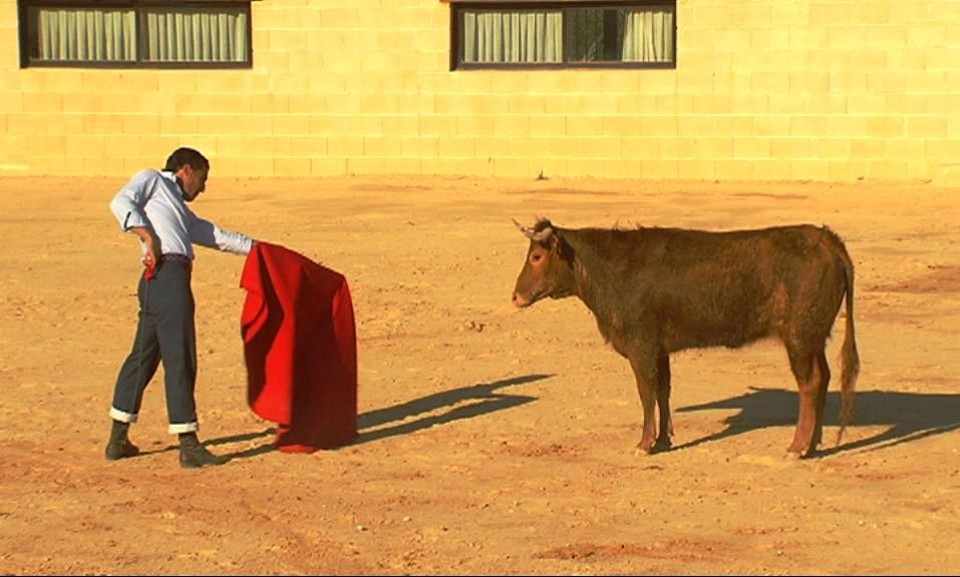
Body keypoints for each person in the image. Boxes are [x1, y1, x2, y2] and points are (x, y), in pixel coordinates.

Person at [105, 147, 255, 469]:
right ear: (186, 170)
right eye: (201, 179)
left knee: (143, 357)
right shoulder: (153, 180)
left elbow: (214, 235)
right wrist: (148, 237)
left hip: (155, 283)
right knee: (180, 356)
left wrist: (258, 250)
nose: (202, 188)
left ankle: (117, 440)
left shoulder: (178, 211)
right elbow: (120, 202)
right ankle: (188, 444)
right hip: (169, 278)